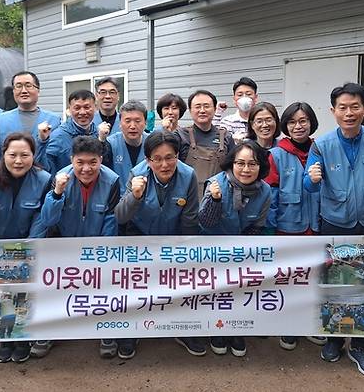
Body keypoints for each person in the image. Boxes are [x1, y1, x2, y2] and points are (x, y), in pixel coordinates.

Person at [304, 83, 364, 379]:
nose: (349, 113)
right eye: (342, 108)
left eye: (354, 107)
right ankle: (334, 339)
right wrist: (312, 178)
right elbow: (309, 187)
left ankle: (361, 346)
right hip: (335, 223)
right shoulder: (321, 145)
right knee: (336, 284)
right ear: (333, 112)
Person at [115, 131, 201, 359]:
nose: (164, 164)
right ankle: (130, 331)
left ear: (178, 156)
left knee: (180, 284)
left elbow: (190, 218)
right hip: (140, 237)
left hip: (174, 237)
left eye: (170, 157)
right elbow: (121, 217)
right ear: (148, 160)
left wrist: (186, 252)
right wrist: (134, 195)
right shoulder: (137, 174)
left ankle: (184, 330)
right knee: (136, 287)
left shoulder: (188, 175)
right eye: (157, 159)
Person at [0, 132, 52, 363]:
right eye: (12, 154)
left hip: (27, 245)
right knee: (3, 294)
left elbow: (42, 216)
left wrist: (27, 247)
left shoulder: (44, 179)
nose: (18, 160)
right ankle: (6, 339)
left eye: (24, 155)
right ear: (3, 155)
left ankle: (23, 337)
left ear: (33, 156)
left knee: (24, 295)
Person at [40, 136, 120, 359]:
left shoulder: (112, 180)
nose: (86, 169)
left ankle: (107, 332)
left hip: (97, 247)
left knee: (105, 286)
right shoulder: (59, 179)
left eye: (93, 162)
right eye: (80, 162)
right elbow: (47, 220)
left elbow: (111, 221)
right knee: (55, 288)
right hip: (64, 245)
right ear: (72, 160)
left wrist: (101, 257)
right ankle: (48, 332)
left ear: (101, 160)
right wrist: (56, 193)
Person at [199, 140, 271, 358]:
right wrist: (215, 200)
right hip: (212, 249)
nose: (246, 169)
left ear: (261, 167)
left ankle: (236, 329)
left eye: (252, 164)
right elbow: (206, 222)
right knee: (217, 292)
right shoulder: (216, 183)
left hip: (241, 250)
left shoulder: (265, 190)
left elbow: (257, 225)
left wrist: (240, 252)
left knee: (240, 291)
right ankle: (217, 330)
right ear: (231, 163)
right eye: (240, 163)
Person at [264, 101, 325, 351]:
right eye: (292, 122)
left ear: (311, 123)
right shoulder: (276, 154)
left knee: (315, 278)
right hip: (287, 227)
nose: (298, 126)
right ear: (285, 126)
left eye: (303, 121)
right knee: (288, 278)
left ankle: (311, 323)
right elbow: (270, 196)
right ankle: (288, 327)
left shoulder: (321, 149)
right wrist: (271, 229)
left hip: (317, 225)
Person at [0, 71, 60, 167]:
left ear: (38, 90)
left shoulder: (54, 120)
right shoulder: (1, 120)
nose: (24, 91)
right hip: (9, 178)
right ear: (13, 91)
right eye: (18, 86)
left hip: (43, 177)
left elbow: (57, 155)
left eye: (28, 85)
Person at [176, 90, 234, 200]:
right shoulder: (180, 136)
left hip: (218, 199)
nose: (202, 110)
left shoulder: (226, 137)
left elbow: (233, 172)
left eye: (206, 106)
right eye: (197, 106)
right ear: (190, 110)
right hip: (187, 200)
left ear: (215, 109)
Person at [44, 89, 99, 175]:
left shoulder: (99, 134)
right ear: (69, 110)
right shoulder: (58, 136)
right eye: (77, 108)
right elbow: (48, 168)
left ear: (95, 108)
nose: (82, 112)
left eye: (87, 107)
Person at [102, 100, 148, 195]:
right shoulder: (110, 144)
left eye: (137, 121)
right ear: (120, 124)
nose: (132, 126)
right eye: (127, 121)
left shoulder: (152, 143)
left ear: (145, 123)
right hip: (117, 201)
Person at [213, 77, 258, 142]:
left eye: (248, 94)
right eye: (240, 95)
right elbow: (216, 139)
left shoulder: (261, 120)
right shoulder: (227, 122)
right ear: (234, 99)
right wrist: (217, 113)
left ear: (256, 98)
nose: (244, 97)